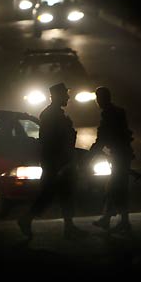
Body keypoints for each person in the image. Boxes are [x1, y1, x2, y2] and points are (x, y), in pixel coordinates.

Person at [17, 82, 88, 240]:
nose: (68, 97)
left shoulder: (56, 114)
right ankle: (26, 219)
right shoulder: (50, 115)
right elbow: (49, 141)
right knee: (48, 195)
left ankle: (68, 227)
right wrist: (58, 163)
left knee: (65, 194)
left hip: (61, 161)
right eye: (65, 94)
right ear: (57, 96)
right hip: (55, 163)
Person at [89, 86, 135, 235]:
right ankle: (108, 219)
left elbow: (102, 137)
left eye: (98, 98)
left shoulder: (109, 114)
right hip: (121, 153)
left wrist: (90, 155)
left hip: (119, 154)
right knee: (113, 187)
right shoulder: (117, 112)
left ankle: (124, 222)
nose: (97, 101)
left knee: (117, 188)